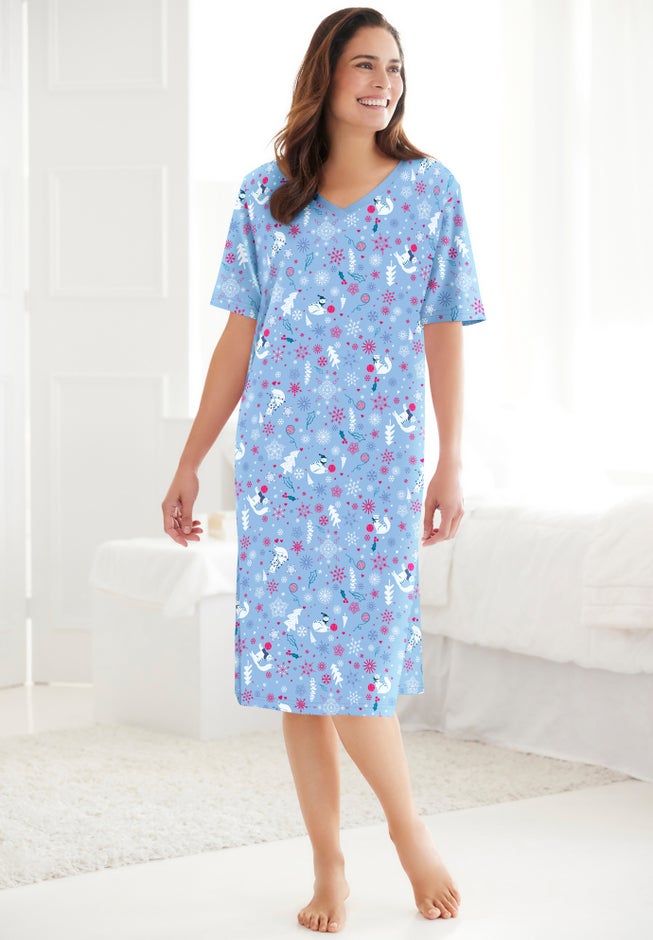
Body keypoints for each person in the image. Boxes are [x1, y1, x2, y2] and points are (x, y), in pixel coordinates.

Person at [162, 7, 485, 933]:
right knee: (296, 673)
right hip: (279, 463)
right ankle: (328, 868)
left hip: (377, 465)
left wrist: (449, 460)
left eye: (394, 67)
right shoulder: (266, 195)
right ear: (326, 75)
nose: (382, 82)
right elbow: (238, 339)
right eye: (364, 65)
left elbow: (443, 331)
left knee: (353, 668)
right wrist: (191, 459)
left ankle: (408, 833)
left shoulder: (430, 191)